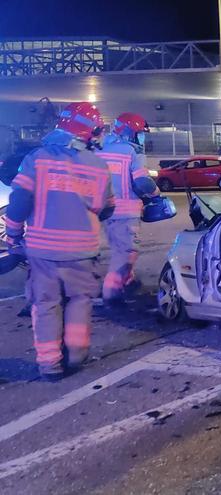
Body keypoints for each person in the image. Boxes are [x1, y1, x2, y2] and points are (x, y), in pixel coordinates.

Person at [2, 102, 114, 381]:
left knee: (45, 304)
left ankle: (50, 365)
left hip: (43, 250)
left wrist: (13, 233)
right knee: (79, 300)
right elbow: (107, 207)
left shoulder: (37, 159)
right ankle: (76, 355)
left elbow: (19, 202)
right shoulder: (99, 166)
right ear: (90, 132)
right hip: (82, 249)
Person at [95, 113, 159, 304]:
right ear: (130, 133)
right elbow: (142, 182)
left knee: (118, 248)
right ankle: (111, 292)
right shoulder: (132, 152)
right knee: (127, 252)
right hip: (126, 212)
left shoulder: (101, 150)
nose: (142, 138)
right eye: (139, 134)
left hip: (106, 212)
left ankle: (129, 281)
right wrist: (156, 192)